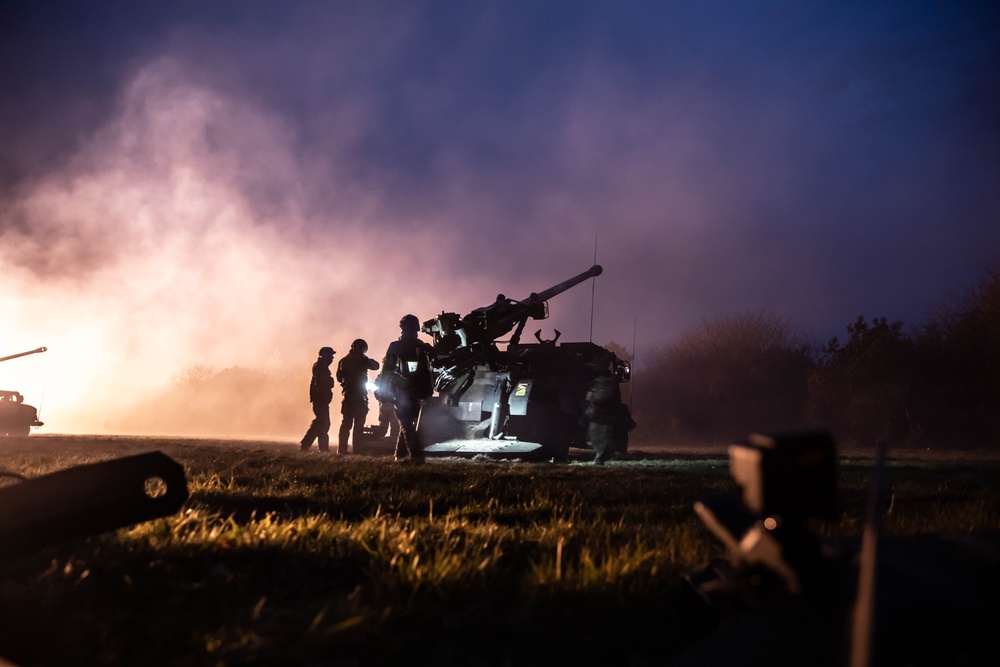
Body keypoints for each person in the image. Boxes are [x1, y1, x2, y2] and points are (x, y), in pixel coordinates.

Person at [376, 314, 435, 463]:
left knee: (405, 422)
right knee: (406, 421)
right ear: (416, 328)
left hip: (401, 391)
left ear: (402, 328)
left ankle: (416, 456)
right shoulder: (422, 347)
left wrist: (383, 390)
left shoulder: (396, 346)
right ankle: (399, 455)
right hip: (418, 391)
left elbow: (387, 370)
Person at [336, 338, 379, 454]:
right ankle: (358, 449)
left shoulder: (343, 361)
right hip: (360, 396)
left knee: (346, 423)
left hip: (348, 395)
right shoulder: (363, 359)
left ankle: (341, 449)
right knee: (359, 424)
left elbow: (339, 378)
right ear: (363, 349)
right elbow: (376, 366)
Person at [584, 353, 621, 465]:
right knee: (598, 436)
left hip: (604, 413)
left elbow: (604, 396)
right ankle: (601, 456)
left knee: (602, 436)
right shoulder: (602, 381)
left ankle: (600, 458)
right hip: (599, 413)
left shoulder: (608, 381)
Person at [300, 346, 336, 452]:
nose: (332, 358)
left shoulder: (320, 366)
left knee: (321, 423)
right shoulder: (321, 367)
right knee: (323, 423)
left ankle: (311, 445)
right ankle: (314, 446)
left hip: (320, 399)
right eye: (330, 356)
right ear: (325, 356)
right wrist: (330, 382)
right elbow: (324, 383)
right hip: (320, 400)